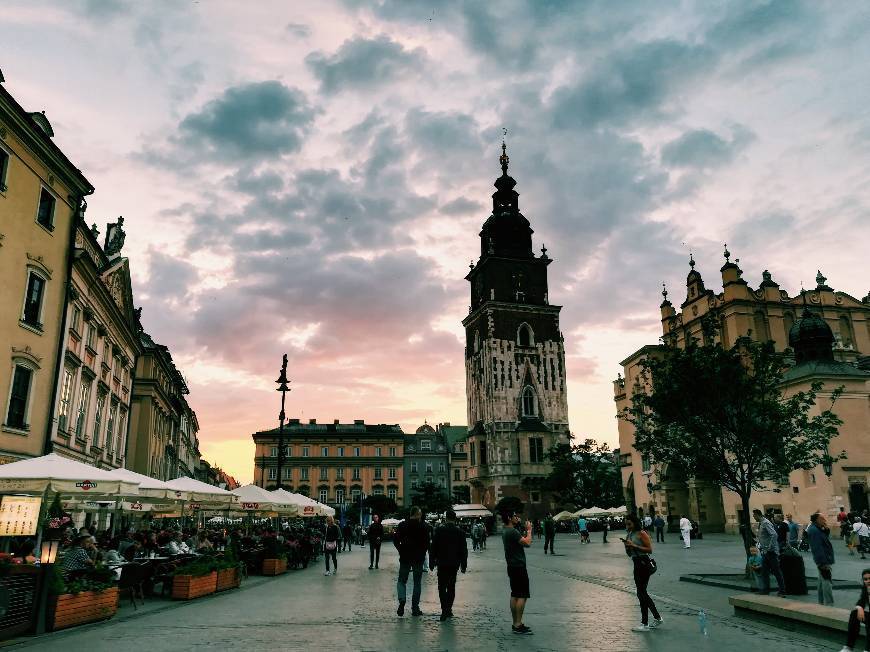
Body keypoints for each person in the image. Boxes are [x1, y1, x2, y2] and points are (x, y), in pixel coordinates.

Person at [623, 513, 662, 632]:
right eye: (626, 524)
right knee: (641, 593)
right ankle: (655, 619)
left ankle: (647, 622)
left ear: (634, 522)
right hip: (636, 563)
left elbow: (649, 550)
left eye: (629, 523)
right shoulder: (629, 534)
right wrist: (627, 547)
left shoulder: (642, 533)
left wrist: (633, 545)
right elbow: (630, 554)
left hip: (644, 563)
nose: (627, 526)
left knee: (641, 593)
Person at [430, 508, 468, 621]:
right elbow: (463, 550)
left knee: (441, 587)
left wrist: (431, 562)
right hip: (454, 564)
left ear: (446, 518)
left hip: (441, 563)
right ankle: (449, 609)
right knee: (451, 586)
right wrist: (463, 564)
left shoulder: (439, 530)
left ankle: (444, 610)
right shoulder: (460, 532)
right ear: (455, 519)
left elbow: (433, 547)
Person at [394, 506, 429, 616]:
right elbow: (427, 543)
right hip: (418, 558)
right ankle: (415, 608)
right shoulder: (423, 526)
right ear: (417, 514)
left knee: (401, 581)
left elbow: (395, 539)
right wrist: (425, 554)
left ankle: (402, 600)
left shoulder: (402, 525)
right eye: (420, 514)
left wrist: (400, 549)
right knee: (417, 583)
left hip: (405, 557)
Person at [502, 511, 533, 635]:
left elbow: (521, 541)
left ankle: (515, 622)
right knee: (522, 595)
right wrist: (529, 530)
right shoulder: (512, 531)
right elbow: (527, 543)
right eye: (515, 516)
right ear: (509, 517)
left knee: (514, 594)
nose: (517, 518)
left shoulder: (506, 531)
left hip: (511, 566)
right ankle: (518, 624)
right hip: (519, 566)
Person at [753, 509, 787, 597]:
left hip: (771, 552)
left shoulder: (765, 523)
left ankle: (782, 591)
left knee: (777, 571)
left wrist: (769, 547)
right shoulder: (762, 523)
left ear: (757, 515)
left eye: (754, 515)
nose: (753, 517)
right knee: (764, 571)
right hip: (765, 552)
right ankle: (765, 590)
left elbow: (774, 534)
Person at [806, 512, 835, 605]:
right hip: (823, 560)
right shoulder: (814, 530)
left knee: (821, 581)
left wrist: (826, 530)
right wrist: (823, 563)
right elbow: (817, 548)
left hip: (823, 559)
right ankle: (829, 603)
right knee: (827, 581)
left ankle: (821, 602)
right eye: (822, 518)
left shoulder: (817, 529)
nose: (825, 520)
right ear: (817, 520)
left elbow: (824, 538)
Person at [840, 567, 870, 652]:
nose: (868, 581)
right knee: (854, 613)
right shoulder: (865, 589)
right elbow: (860, 602)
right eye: (865, 579)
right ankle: (848, 647)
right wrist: (860, 608)